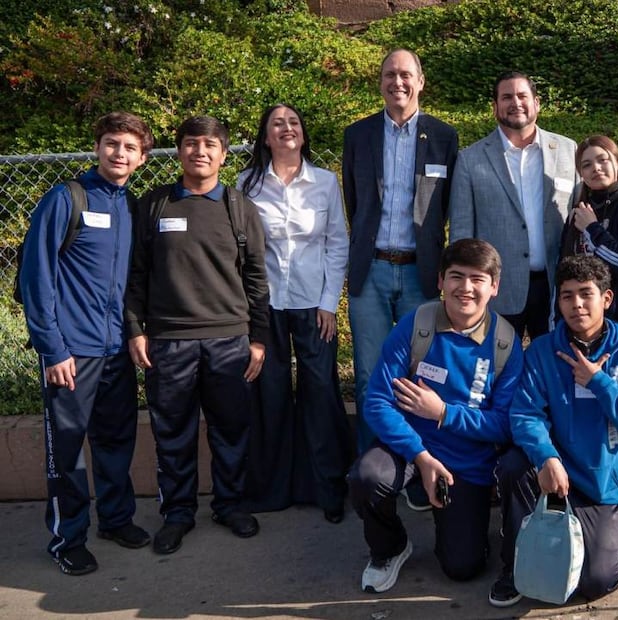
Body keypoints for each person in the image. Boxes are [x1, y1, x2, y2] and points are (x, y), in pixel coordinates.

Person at [124, 115, 270, 555]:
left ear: (223, 155)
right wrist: (135, 329)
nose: (199, 152)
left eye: (209, 145)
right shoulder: (154, 204)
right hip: (168, 341)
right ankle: (178, 513)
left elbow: (257, 279)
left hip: (229, 341)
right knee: (173, 432)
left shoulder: (240, 208)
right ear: (180, 150)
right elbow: (136, 275)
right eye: (191, 143)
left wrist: (258, 338)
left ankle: (229, 505)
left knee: (231, 429)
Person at [348, 239, 524, 594]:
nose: (467, 288)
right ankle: (389, 548)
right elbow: (378, 401)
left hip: (466, 462)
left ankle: (467, 529)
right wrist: (421, 456)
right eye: (457, 277)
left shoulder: (505, 342)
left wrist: (444, 413)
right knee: (367, 477)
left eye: (478, 279)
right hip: (410, 450)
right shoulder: (417, 325)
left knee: (462, 567)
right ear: (441, 280)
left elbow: (505, 424)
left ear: (494, 287)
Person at [20, 112, 154, 575]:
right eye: (113, 143)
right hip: (71, 352)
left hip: (117, 349)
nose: (120, 153)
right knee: (69, 449)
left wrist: (135, 333)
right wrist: (52, 349)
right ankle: (67, 538)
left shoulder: (131, 206)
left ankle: (116, 520)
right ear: (97, 147)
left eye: (130, 148)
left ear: (142, 158)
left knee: (116, 441)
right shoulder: (66, 198)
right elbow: (36, 278)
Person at [491, 254, 618, 607]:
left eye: (586, 294)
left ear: (607, 299)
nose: (577, 304)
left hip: (600, 484)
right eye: (567, 295)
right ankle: (514, 564)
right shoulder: (542, 350)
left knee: (596, 582)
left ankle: (595, 537)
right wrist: (546, 457)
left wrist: (600, 382)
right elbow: (524, 414)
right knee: (512, 465)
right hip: (551, 476)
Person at [343, 49, 459, 459]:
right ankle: (372, 468)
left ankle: (418, 464)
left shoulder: (444, 137)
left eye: (406, 75)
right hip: (370, 272)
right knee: (369, 376)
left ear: (421, 81)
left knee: (424, 376)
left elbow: (446, 207)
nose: (398, 82)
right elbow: (354, 203)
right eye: (390, 75)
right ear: (380, 82)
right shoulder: (357, 135)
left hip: (421, 274)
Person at [237, 103, 351, 521]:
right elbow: (242, 252)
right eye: (277, 124)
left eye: (294, 123)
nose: (287, 129)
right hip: (266, 307)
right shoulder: (245, 184)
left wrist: (329, 304)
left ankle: (327, 488)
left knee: (320, 392)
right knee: (270, 393)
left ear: (303, 134)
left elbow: (338, 244)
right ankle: (272, 490)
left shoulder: (324, 182)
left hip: (312, 306)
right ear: (265, 137)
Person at [449, 70, 578, 339]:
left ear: (537, 103)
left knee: (553, 372)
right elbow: (462, 233)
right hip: (497, 289)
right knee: (495, 372)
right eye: (506, 97)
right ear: (495, 107)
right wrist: (466, 286)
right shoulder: (470, 160)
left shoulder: (569, 151)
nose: (515, 102)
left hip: (556, 286)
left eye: (522, 96)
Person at [560, 135, 618, 341]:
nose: (596, 168)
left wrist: (593, 229)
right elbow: (563, 271)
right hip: (578, 325)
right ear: (581, 173)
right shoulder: (576, 214)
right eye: (587, 165)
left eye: (603, 160)